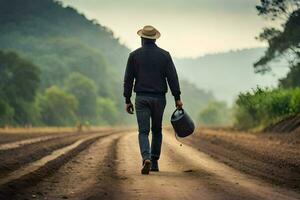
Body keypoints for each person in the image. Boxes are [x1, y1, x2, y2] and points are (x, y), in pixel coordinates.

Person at [123, 25, 183, 175]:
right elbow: (172, 78)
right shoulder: (165, 55)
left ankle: (146, 158)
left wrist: (127, 99)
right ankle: (154, 162)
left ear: (142, 38)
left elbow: (128, 80)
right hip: (159, 98)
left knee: (143, 131)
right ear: (155, 38)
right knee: (157, 130)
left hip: (141, 98)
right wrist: (177, 97)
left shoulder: (134, 55)